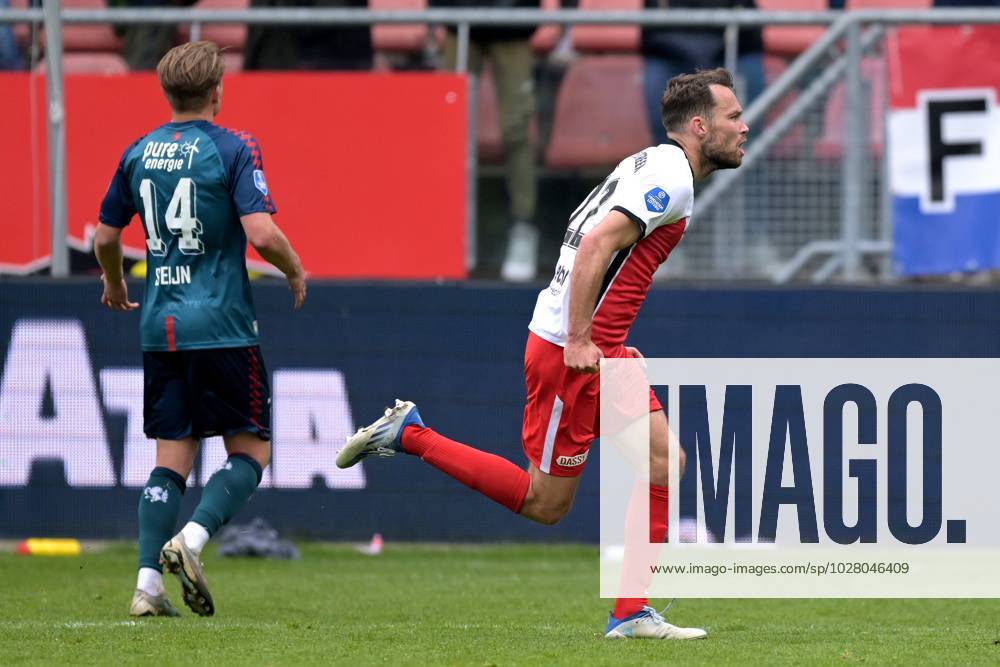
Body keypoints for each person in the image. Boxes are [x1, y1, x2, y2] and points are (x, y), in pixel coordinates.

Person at [338, 68, 748, 639]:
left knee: (664, 462)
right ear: (700, 126)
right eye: (733, 117)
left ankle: (631, 612)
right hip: (568, 352)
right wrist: (582, 337)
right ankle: (411, 434)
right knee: (544, 502)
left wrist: (607, 339)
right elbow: (598, 243)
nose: (743, 127)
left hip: (597, 348)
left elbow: (599, 252)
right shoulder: (673, 176)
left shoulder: (654, 164)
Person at [94, 40, 307, 617]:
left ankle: (146, 587)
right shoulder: (235, 148)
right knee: (252, 451)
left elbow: (106, 236)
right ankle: (189, 542)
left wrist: (114, 284)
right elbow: (261, 234)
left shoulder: (138, 152)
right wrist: (294, 268)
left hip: (160, 327)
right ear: (217, 91)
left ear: (165, 92)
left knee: (171, 459)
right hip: (224, 326)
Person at [432, 0, 540, 282]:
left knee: (516, 129)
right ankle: (441, 229)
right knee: (445, 125)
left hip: (513, 21)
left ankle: (523, 226)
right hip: (459, 17)